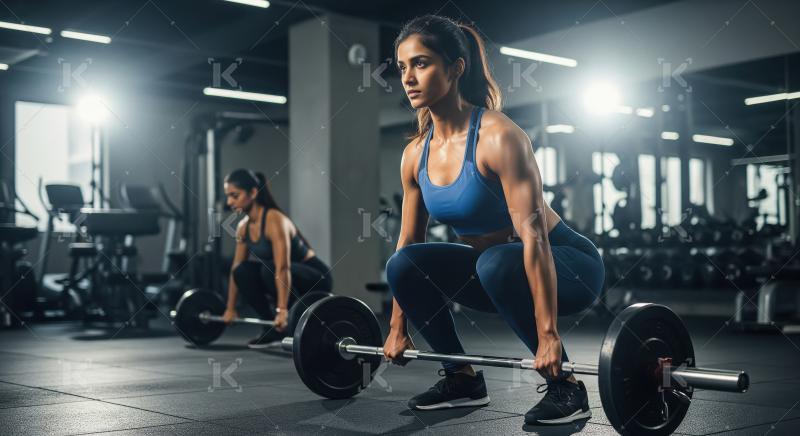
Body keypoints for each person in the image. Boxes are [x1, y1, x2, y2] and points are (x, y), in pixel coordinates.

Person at [383, 15, 604, 425]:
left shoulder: (499, 137)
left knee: (498, 260)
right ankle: (461, 378)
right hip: (499, 274)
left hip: (568, 267)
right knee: (402, 264)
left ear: (455, 68)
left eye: (421, 63)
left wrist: (549, 336)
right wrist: (398, 326)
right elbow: (408, 242)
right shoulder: (415, 154)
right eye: (402, 67)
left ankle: (567, 387)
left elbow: (534, 238)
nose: (408, 78)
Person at [221, 169, 333, 348]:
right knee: (242, 271)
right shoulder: (243, 228)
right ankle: (270, 327)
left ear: (253, 192)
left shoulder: (274, 220)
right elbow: (237, 267)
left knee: (269, 269)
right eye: (228, 196)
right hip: (280, 274)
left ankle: (288, 323)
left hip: (315, 277)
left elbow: (283, 268)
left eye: (234, 196)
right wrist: (230, 308)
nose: (229, 202)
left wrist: (282, 310)